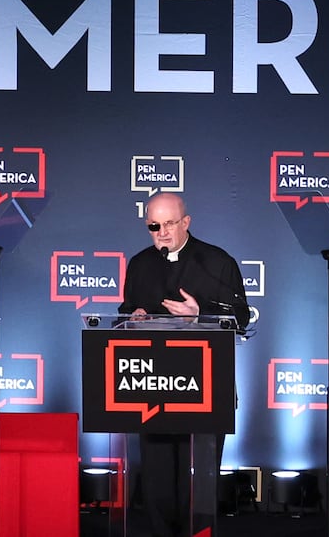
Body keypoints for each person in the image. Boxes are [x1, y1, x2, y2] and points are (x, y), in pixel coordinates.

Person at [118, 191, 251, 537]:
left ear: (186, 222)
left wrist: (200, 315)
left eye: (169, 224)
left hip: (206, 391)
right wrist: (134, 317)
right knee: (158, 484)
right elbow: (123, 314)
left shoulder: (217, 262)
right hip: (152, 390)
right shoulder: (140, 264)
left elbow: (240, 317)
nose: (161, 232)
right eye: (153, 226)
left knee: (198, 489)